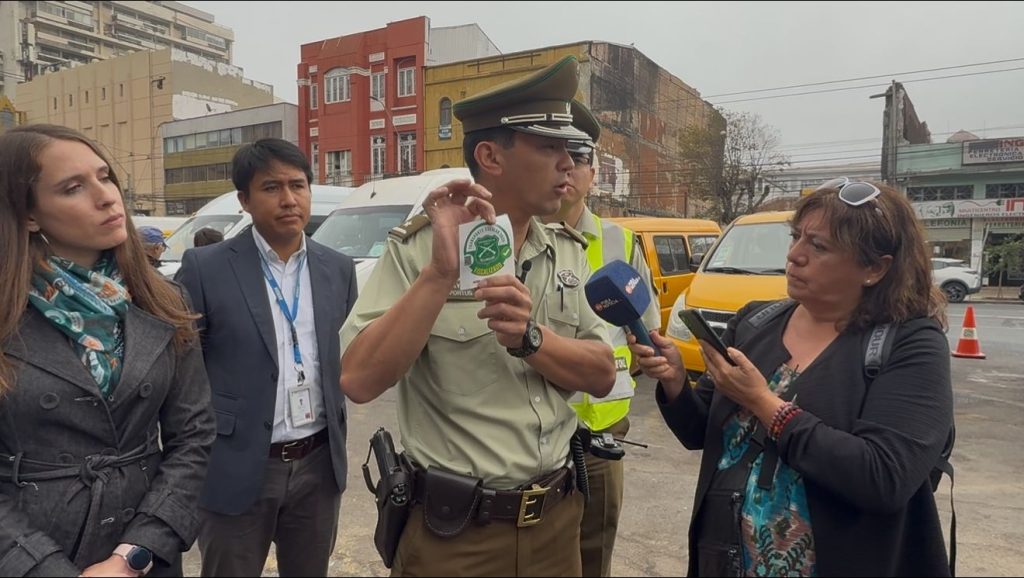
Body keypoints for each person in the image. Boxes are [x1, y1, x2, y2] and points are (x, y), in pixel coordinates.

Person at [339, 55, 616, 577]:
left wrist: (533, 339)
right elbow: (357, 378)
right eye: (549, 146)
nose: (568, 163)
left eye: (571, 149)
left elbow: (602, 375)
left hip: (556, 525)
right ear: (490, 155)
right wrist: (440, 274)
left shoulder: (567, 250)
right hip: (455, 536)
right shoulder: (421, 250)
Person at [630, 179, 954, 577]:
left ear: (874, 267)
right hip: (729, 556)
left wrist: (765, 404)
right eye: (796, 237)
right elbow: (701, 432)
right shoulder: (755, 322)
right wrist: (676, 381)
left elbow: (883, 477)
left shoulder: (911, 343)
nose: (794, 255)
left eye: (818, 246)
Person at [0, 124, 216, 577]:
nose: (106, 197)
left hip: (144, 553)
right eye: (73, 187)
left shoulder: (162, 299)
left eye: (106, 177)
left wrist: (134, 554)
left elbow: (193, 436)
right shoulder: (7, 315)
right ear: (29, 214)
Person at [175, 138, 357, 577]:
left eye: (298, 185)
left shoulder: (338, 268)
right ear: (245, 199)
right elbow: (182, 370)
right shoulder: (206, 267)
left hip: (317, 463)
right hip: (237, 464)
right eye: (272, 187)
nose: (289, 199)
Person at [541, 100, 660, 578]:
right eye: (555, 153)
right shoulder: (513, 238)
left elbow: (645, 335)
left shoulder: (621, 242)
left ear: (593, 171)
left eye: (579, 156)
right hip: (536, 436)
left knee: (594, 559)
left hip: (603, 436)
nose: (567, 168)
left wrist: (629, 368)